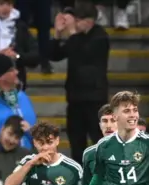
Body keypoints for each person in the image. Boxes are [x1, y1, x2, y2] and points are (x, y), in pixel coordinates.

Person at [49, 2, 110, 164]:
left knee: (99, 142)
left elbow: (83, 55)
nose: (74, 24)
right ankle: (80, 178)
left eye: (77, 20)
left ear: (89, 21)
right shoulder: (76, 38)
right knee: (76, 144)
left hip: (94, 100)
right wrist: (57, 34)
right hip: (75, 99)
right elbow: (55, 55)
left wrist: (73, 34)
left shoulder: (100, 37)